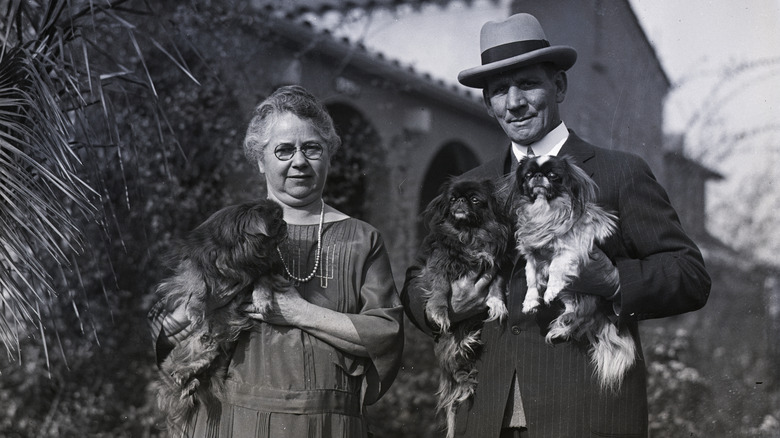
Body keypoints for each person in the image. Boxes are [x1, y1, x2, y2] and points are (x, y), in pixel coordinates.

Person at [401, 13, 711, 438]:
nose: (514, 102)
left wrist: (614, 279)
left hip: (584, 414)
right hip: (483, 414)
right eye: (498, 91)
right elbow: (415, 281)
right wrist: (449, 305)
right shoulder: (475, 184)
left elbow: (690, 274)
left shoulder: (619, 172)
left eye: (527, 84)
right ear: (487, 103)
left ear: (559, 86)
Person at [149, 85, 404, 437]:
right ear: (259, 159)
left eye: (312, 148)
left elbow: (386, 335)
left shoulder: (362, 238)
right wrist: (180, 317)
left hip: (328, 424)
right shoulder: (228, 229)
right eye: (284, 150)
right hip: (233, 420)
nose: (299, 161)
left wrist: (298, 312)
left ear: (329, 156)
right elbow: (164, 324)